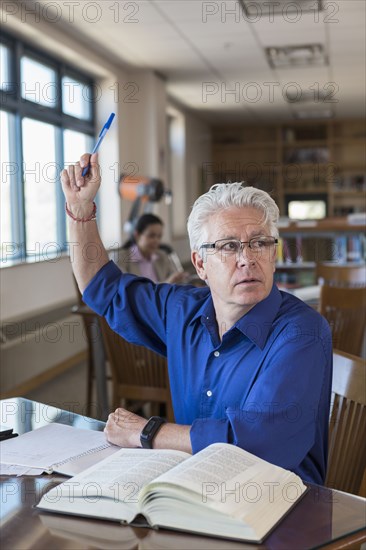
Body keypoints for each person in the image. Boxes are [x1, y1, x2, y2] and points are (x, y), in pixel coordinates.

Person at [62, 153, 332, 485]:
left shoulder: (302, 331)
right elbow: (103, 288)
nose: (247, 259)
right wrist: (80, 212)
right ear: (200, 264)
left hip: (281, 505)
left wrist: (149, 432)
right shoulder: (181, 310)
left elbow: (263, 446)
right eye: (229, 246)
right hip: (198, 488)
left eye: (260, 243)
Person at [113, 213, 187, 284]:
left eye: (159, 236)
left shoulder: (162, 256)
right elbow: (130, 290)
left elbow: (176, 279)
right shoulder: (120, 258)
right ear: (137, 235)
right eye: (151, 236)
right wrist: (167, 283)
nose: (156, 240)